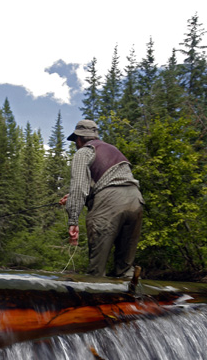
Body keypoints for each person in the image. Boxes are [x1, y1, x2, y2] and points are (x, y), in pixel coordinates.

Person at [60, 119, 144, 278]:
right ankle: (131, 301)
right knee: (125, 271)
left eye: (75, 141)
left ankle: (94, 300)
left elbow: (79, 187)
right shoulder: (114, 150)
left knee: (96, 271)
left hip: (109, 204)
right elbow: (107, 181)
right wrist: (75, 198)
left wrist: (73, 221)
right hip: (136, 200)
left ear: (79, 139)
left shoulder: (83, 152)